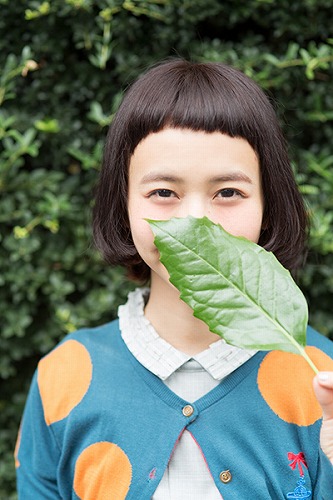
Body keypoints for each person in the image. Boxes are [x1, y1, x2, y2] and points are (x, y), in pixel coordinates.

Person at [15, 59, 333, 499]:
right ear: (123, 204)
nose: (196, 222)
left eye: (228, 193)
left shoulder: (322, 379)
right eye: (163, 193)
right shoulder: (62, 375)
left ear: (268, 204)